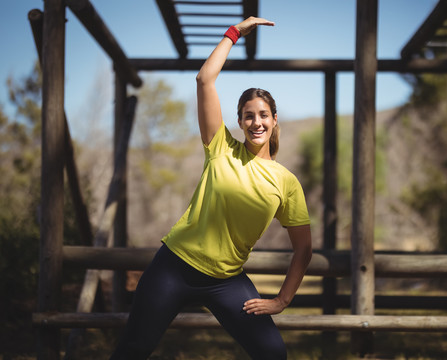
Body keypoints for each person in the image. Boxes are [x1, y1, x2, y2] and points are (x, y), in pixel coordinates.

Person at [110, 16, 312, 360]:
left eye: (263, 114)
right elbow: (205, 79)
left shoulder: (286, 183)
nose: (256, 122)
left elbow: (303, 249)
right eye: (248, 115)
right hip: (173, 267)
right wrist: (234, 33)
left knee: (273, 353)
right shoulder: (220, 147)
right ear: (240, 122)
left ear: (274, 120)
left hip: (226, 281)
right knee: (135, 348)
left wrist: (282, 300)